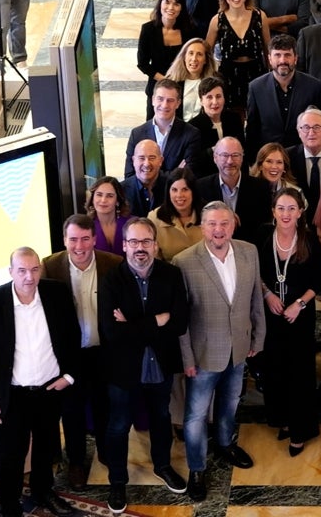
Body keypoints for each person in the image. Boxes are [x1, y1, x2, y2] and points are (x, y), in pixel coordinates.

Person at [173, 202, 266, 501]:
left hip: (239, 347)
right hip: (202, 356)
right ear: (202, 227)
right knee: (196, 415)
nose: (218, 230)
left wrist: (258, 336)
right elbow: (181, 319)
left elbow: (255, 299)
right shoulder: (183, 262)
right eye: (212, 224)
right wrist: (186, 358)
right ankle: (197, 468)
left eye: (224, 223)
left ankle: (225, 444)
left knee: (230, 402)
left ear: (233, 225)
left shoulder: (249, 251)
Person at [0, 247, 80, 517]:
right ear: (10, 271)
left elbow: (72, 336)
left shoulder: (56, 293)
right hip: (13, 395)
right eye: (21, 270)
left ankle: (43, 491)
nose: (29, 277)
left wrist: (68, 377)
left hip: (50, 389)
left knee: (47, 448)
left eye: (34, 269)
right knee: (11, 454)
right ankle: (10, 505)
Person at [98, 217, 190, 513]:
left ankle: (162, 466)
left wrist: (134, 325)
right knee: (118, 427)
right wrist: (156, 320)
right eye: (134, 242)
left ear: (155, 244)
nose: (140, 248)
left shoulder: (172, 275)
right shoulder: (111, 279)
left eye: (146, 242)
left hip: (160, 364)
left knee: (160, 418)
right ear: (124, 246)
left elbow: (179, 322)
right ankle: (117, 482)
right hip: (124, 369)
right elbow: (112, 332)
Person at [40, 215, 123, 489]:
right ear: (65, 240)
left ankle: (105, 451)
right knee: (71, 410)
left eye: (85, 239)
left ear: (94, 239)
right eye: (73, 239)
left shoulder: (112, 264)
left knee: (103, 406)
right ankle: (76, 461)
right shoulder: (50, 266)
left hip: (103, 351)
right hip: (69, 354)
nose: (79, 246)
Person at [256, 188, 321, 455]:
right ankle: (283, 419)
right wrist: (267, 294)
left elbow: (319, 279)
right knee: (275, 371)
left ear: (300, 212)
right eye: (281, 208)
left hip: (300, 316)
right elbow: (255, 272)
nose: (286, 214)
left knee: (300, 374)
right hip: (271, 316)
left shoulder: (309, 239)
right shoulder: (263, 235)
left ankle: (300, 430)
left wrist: (300, 304)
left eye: (291, 208)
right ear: (273, 211)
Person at [245, 34, 321, 151]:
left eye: (287, 55)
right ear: (269, 58)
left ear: (296, 58)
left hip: (303, 157)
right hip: (269, 158)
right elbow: (252, 129)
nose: (282, 60)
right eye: (277, 55)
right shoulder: (256, 87)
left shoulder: (314, 86)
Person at [205, 0, 271, 111]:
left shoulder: (260, 16)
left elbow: (268, 49)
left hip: (257, 73)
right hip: (228, 76)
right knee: (234, 118)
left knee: (258, 114)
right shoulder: (217, 20)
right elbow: (207, 53)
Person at [137, 0, 197, 119]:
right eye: (167, 2)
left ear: (181, 8)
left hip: (182, 86)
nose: (171, 7)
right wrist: (165, 80)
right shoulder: (148, 30)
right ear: (160, 4)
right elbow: (143, 64)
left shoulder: (190, 30)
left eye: (176, 4)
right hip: (157, 85)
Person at [124, 79, 203, 179]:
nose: (165, 105)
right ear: (153, 100)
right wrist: (175, 173)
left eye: (170, 100)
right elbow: (129, 176)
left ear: (178, 103)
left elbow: (189, 177)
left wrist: (147, 176)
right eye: (160, 99)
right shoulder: (137, 134)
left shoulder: (191, 134)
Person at [149, 166, 203, 259]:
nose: (179, 195)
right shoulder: (154, 218)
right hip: (170, 272)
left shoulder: (209, 214)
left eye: (185, 189)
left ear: (193, 192)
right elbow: (155, 261)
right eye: (174, 190)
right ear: (168, 192)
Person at [163, 37, 219, 122]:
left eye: (199, 54)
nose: (194, 59)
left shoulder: (214, 83)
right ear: (184, 57)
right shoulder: (171, 83)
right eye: (191, 53)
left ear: (206, 60)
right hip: (178, 131)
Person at [123, 140, 166, 218]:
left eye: (152, 158)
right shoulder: (121, 190)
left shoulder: (172, 188)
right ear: (133, 161)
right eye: (141, 158)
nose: (146, 164)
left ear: (161, 161)